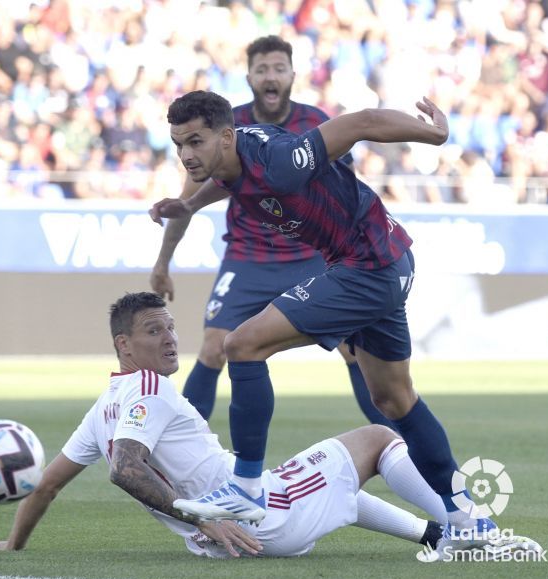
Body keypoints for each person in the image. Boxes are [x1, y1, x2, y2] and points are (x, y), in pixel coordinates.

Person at [149, 90, 498, 552]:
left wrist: (435, 134)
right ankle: (466, 518)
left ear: (227, 136)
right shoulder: (229, 160)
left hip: (368, 265)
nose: (186, 155)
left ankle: (246, 489)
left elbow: (361, 121)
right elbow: (227, 178)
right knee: (394, 399)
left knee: (242, 344)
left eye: (195, 142)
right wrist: (190, 205)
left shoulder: (278, 159)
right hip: (383, 262)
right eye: (179, 145)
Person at [0, 292, 450, 559]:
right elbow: (125, 469)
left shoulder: (102, 410)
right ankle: (461, 527)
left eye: (171, 327)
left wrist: (15, 543)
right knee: (378, 436)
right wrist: (205, 515)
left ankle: (432, 535)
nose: (171, 340)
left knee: (328, 481)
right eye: (154, 331)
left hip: (232, 532)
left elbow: (47, 487)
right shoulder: (150, 389)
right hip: (259, 516)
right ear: (124, 344)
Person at [150, 36, 392, 429]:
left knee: (355, 350)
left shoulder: (316, 123)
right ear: (249, 77)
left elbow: (346, 191)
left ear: (292, 75)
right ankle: (180, 449)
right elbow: (187, 199)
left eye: (278, 68)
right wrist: (162, 262)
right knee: (214, 347)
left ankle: (399, 447)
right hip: (248, 257)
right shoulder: (223, 126)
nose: (270, 76)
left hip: (311, 255)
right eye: (261, 69)